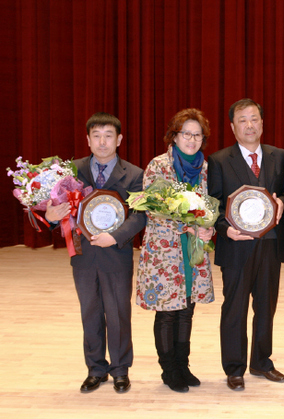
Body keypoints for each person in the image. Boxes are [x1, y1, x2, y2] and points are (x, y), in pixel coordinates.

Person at [45, 112, 146, 393]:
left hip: (116, 253)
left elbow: (139, 216)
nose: (103, 142)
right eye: (97, 136)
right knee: (90, 311)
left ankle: (120, 369)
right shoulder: (70, 172)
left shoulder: (135, 174)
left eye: (109, 135)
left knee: (118, 311)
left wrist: (114, 237)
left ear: (119, 139)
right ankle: (96, 369)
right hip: (83, 254)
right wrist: (51, 215)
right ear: (88, 140)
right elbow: (54, 209)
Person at [208, 98, 284, 391]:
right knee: (235, 308)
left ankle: (261, 362)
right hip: (236, 246)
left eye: (254, 118)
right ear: (232, 126)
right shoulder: (218, 160)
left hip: (269, 244)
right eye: (242, 120)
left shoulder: (279, 156)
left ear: (263, 123)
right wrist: (223, 230)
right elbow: (213, 205)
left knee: (266, 307)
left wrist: (283, 202)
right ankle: (234, 367)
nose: (249, 125)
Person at [135, 109, 216, 393]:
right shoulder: (159, 166)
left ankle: (183, 365)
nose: (192, 140)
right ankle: (169, 370)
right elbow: (154, 210)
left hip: (193, 250)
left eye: (197, 135)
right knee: (168, 312)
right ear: (175, 136)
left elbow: (211, 208)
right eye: (186, 134)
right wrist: (189, 227)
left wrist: (208, 228)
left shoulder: (207, 167)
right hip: (165, 251)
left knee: (187, 310)